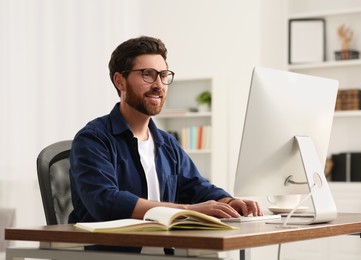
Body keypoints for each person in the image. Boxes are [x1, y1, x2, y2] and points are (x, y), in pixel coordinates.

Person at [68, 36, 262, 252]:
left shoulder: (167, 142)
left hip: (164, 253)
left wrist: (227, 201)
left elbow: (196, 186)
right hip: (111, 255)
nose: (158, 85)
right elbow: (105, 200)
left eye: (163, 75)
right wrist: (188, 210)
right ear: (119, 81)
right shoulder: (93, 139)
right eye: (147, 74)